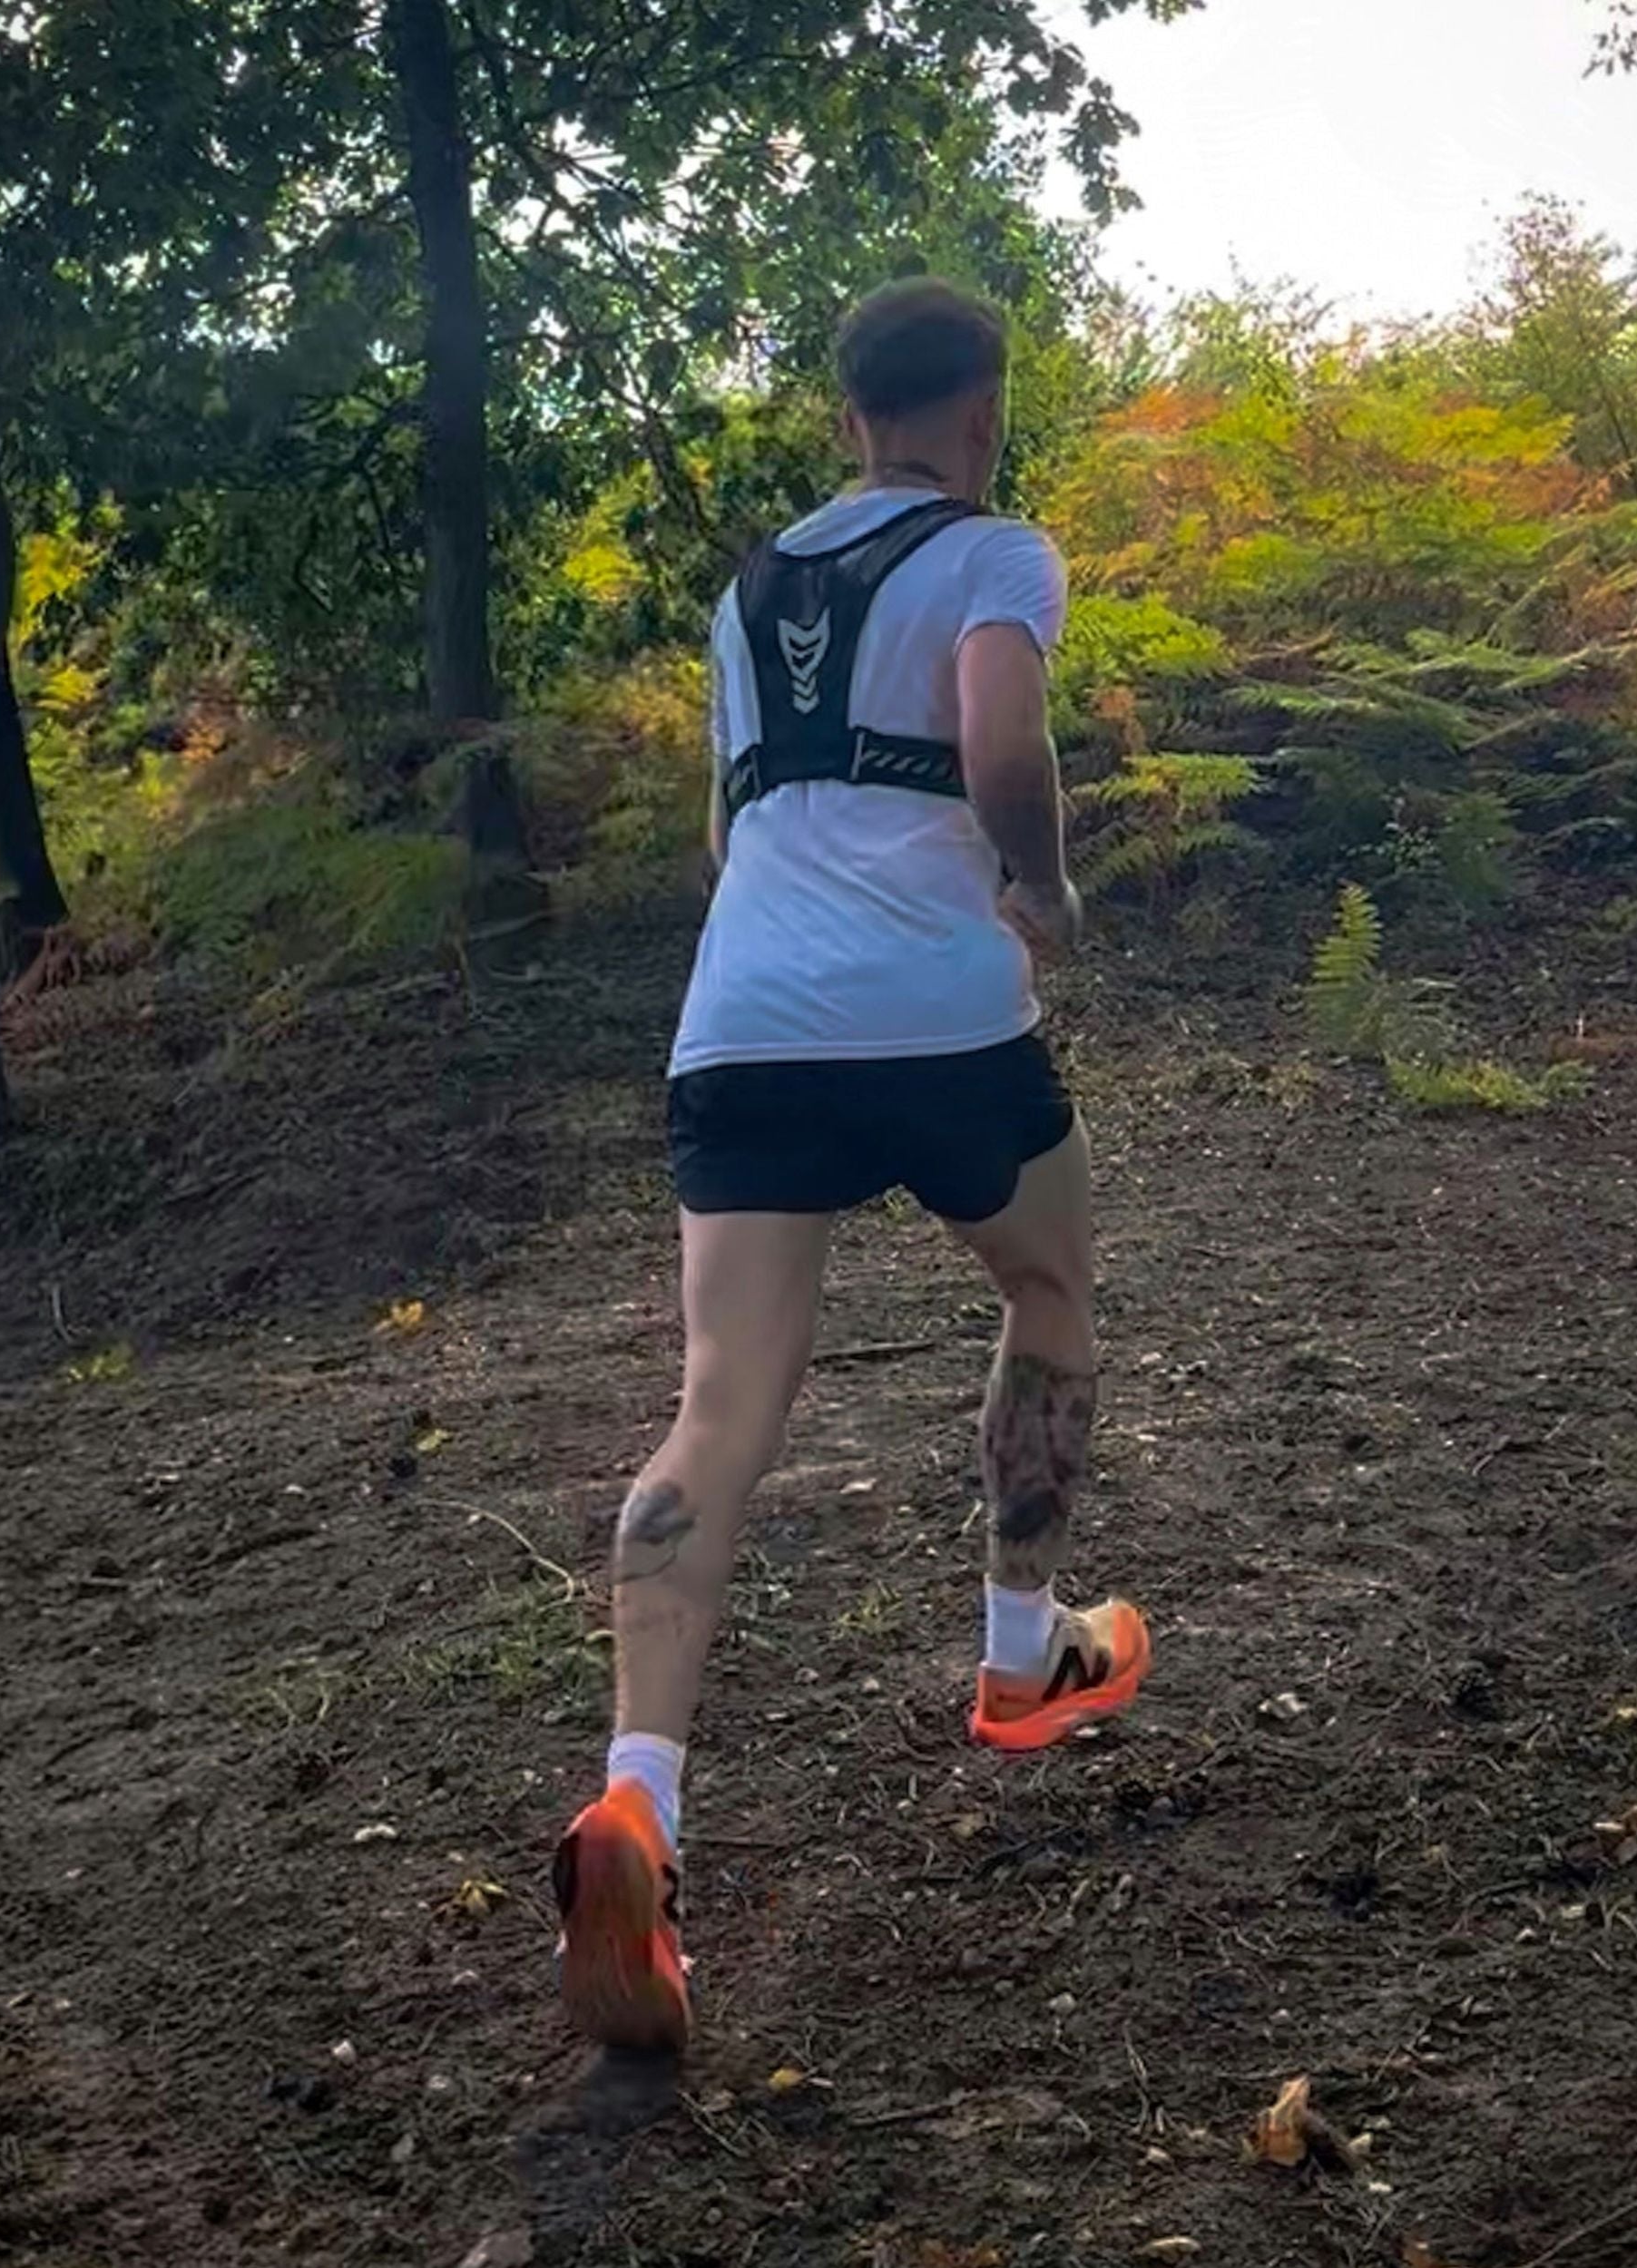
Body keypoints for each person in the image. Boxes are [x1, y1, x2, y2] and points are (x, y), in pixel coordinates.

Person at [551, 279, 1152, 2057]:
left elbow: (726, 823)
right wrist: (1038, 892)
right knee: (1045, 1285)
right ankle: (1018, 1645)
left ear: (845, 418)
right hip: (935, 1015)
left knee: (714, 1408)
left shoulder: (752, 585)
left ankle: (637, 1800)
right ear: (978, 407)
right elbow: (998, 745)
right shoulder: (992, 551)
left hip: (741, 1022)